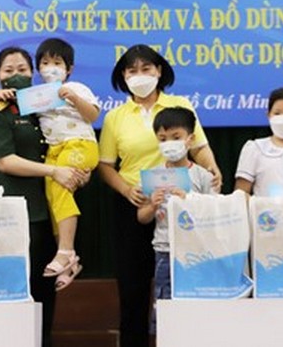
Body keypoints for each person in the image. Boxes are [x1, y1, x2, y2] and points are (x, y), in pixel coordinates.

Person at [97, 44, 222, 347]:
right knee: (133, 285)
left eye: (146, 68)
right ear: (123, 76)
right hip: (136, 204)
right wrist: (127, 190)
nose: (139, 75)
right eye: (132, 70)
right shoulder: (115, 117)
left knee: (184, 279)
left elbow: (199, 146)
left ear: (159, 71)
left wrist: (213, 169)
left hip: (180, 205)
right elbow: (105, 165)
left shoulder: (179, 105)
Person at [0, 46, 87, 347]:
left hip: (53, 213)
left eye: (23, 69)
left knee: (45, 294)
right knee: (21, 293)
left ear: (33, 73)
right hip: (21, 215)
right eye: (9, 70)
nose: (16, 75)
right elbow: (5, 161)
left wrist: (79, 171)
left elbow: (69, 141)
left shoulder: (46, 107)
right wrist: (54, 171)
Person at [137, 106, 217, 335]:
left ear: (190, 139)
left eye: (176, 137)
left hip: (198, 251)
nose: (169, 143)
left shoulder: (203, 175)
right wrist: (152, 205)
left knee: (197, 304)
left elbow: (214, 214)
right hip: (165, 250)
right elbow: (142, 217)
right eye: (163, 139)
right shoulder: (152, 176)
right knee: (165, 303)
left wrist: (189, 200)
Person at [34, 38, 99, 288]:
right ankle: (67, 261)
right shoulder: (36, 96)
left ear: (68, 69)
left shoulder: (76, 87)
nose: (50, 67)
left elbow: (93, 115)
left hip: (79, 144)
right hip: (54, 151)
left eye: (57, 63)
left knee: (61, 188)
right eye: (45, 63)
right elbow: (12, 104)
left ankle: (66, 251)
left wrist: (73, 98)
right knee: (53, 197)